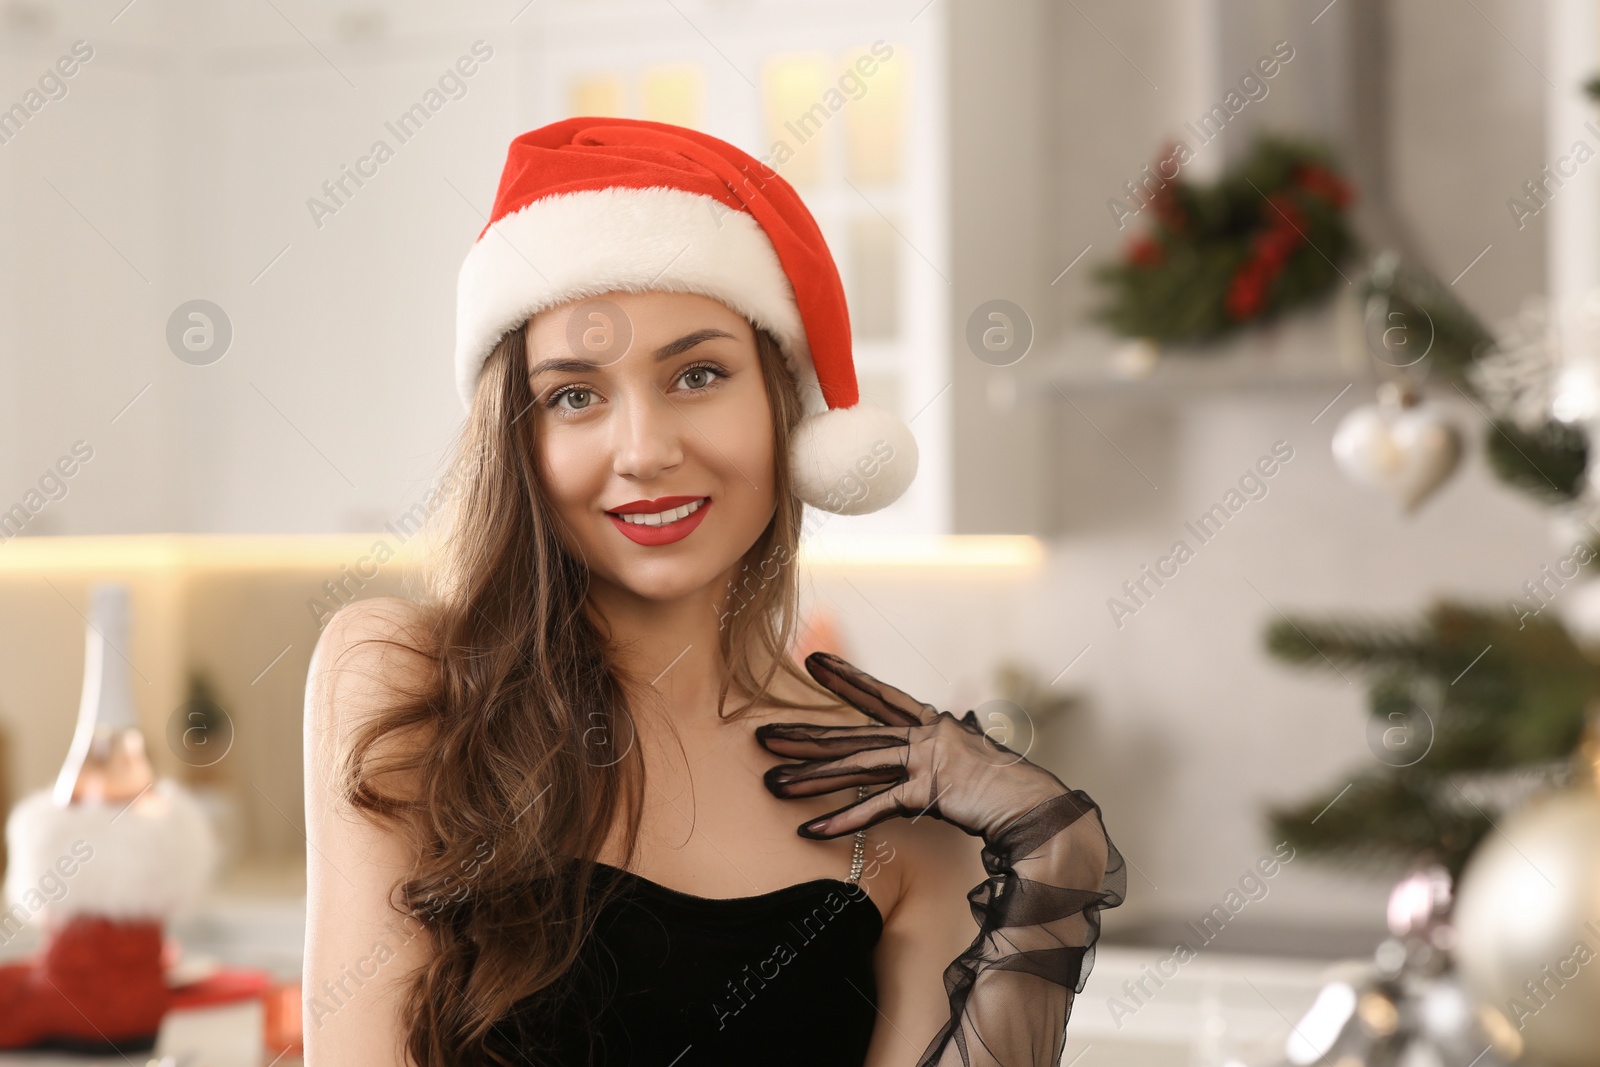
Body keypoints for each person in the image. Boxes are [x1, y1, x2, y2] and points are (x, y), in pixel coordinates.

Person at [301, 117, 1125, 1067]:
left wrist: (1059, 864)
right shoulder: (408, 680)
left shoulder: (887, 817)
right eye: (575, 394)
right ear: (520, 439)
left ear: (786, 413)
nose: (646, 450)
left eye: (698, 375)